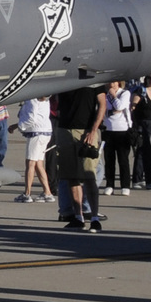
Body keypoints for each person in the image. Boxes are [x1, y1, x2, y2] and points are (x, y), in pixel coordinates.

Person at [54, 85, 106, 230]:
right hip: (65, 129)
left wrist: (94, 130)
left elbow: (102, 104)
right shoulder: (67, 78)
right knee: (71, 176)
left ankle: (94, 217)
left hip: (86, 131)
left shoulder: (95, 81)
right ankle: (78, 217)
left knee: (89, 176)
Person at [15, 96, 53, 204]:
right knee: (38, 163)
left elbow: (31, 118)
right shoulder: (46, 100)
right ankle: (47, 192)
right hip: (46, 131)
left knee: (30, 163)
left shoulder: (32, 99)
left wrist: (21, 127)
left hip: (36, 133)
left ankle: (27, 194)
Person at [100, 79, 133, 195]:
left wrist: (113, 96)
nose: (111, 85)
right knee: (109, 160)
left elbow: (119, 106)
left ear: (119, 83)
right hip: (108, 130)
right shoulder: (105, 95)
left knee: (123, 160)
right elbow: (103, 110)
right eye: (110, 83)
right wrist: (112, 111)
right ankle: (110, 185)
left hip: (122, 131)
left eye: (114, 82)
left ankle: (125, 185)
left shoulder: (125, 93)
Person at [130, 74, 151, 189]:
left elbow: (149, 106)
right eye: (150, 78)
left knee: (142, 151)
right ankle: (149, 180)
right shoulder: (141, 91)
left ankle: (138, 179)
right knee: (145, 151)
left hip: (148, 124)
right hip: (140, 124)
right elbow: (133, 107)